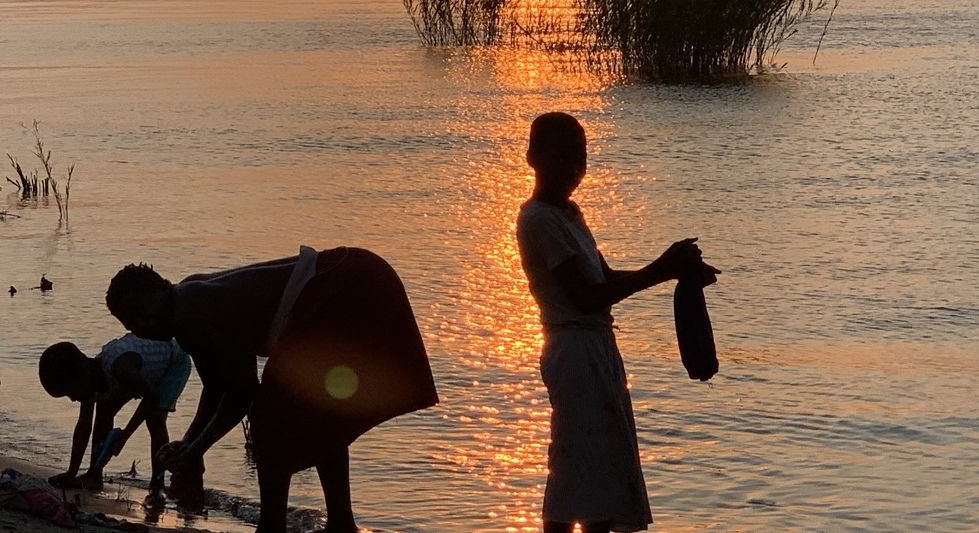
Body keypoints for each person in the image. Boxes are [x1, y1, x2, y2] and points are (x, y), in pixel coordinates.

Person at [104, 247, 438, 533]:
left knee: (270, 416)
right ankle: (338, 523)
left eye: (143, 312)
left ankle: (274, 525)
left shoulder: (188, 312)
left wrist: (195, 452)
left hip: (346, 287)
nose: (142, 324)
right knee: (320, 415)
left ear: (162, 289)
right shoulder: (186, 301)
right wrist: (190, 445)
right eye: (131, 322)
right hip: (355, 274)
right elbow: (217, 386)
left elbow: (241, 393)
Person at [516, 112, 718, 533]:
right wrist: (661, 270)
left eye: (580, 159)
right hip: (571, 348)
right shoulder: (538, 219)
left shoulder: (570, 214)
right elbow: (584, 297)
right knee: (576, 467)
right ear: (533, 157)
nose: (573, 169)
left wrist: (675, 272)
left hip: (597, 347)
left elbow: (604, 279)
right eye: (562, 157)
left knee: (603, 468)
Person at [38, 334, 191, 502]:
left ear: (81, 374)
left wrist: (124, 436)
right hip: (141, 374)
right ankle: (94, 475)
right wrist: (71, 473)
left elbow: (151, 398)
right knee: (104, 409)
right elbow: (84, 426)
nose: (72, 399)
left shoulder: (120, 368)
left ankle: (157, 485)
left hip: (172, 362)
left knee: (155, 420)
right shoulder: (91, 378)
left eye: (70, 393)